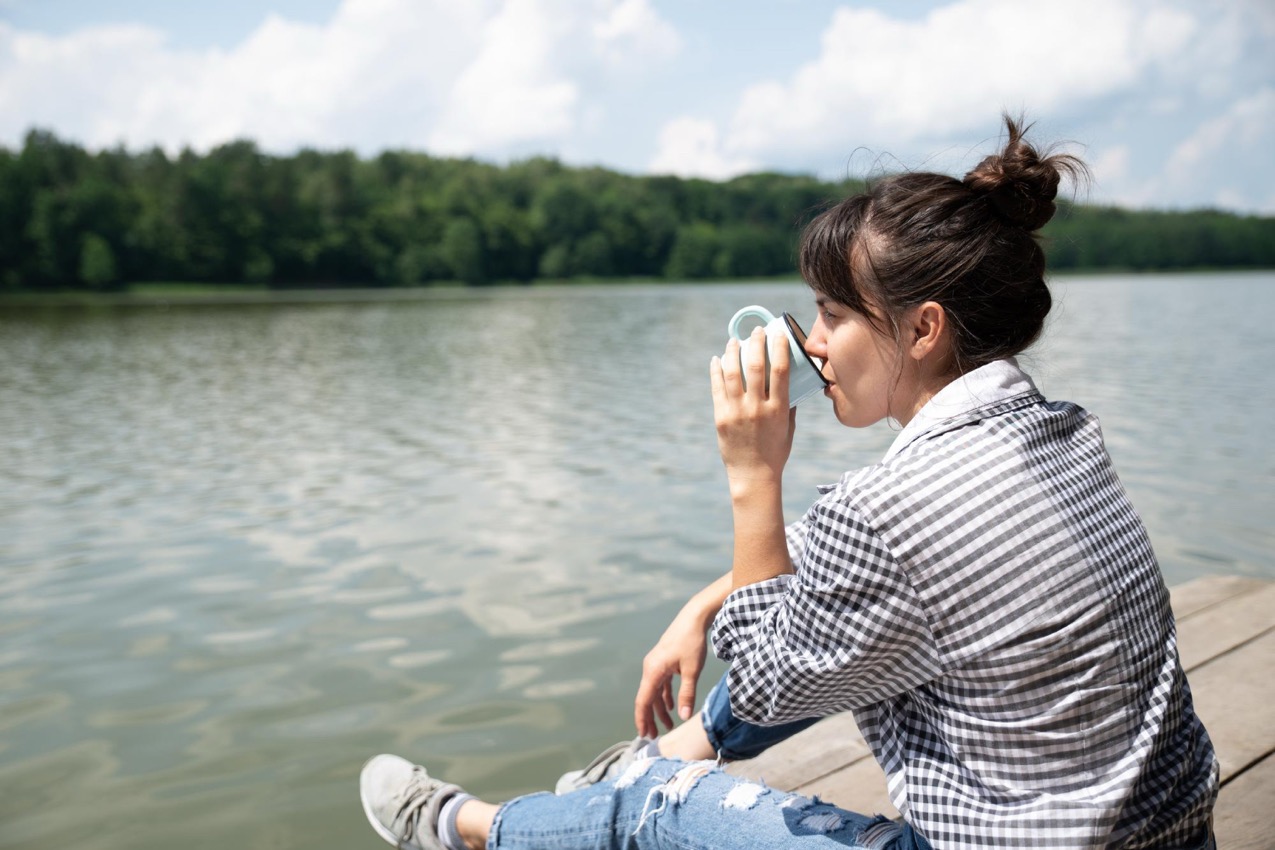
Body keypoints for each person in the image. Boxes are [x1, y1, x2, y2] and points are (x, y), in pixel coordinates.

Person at [358, 116, 1219, 850]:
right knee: (810, 632)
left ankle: (470, 825)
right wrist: (704, 602)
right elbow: (872, 573)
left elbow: (775, 671)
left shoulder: (884, 511)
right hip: (1169, 831)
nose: (811, 341)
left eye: (834, 314)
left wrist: (751, 475)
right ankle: (672, 748)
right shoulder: (1065, 433)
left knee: (669, 815)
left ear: (921, 329)